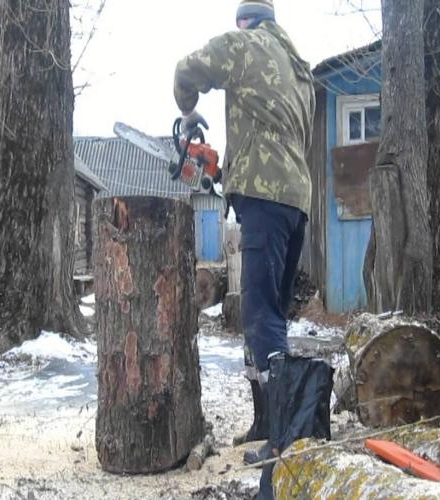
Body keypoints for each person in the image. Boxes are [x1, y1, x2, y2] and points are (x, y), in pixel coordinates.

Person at [173, 0, 317, 486]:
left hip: (263, 197)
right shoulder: (298, 69)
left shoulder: (247, 45)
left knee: (259, 317)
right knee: (270, 312)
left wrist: (187, 106)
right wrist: (224, 168)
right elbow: (272, 136)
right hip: (295, 200)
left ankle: (282, 439)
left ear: (246, 22)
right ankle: (264, 421)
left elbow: (189, 66)